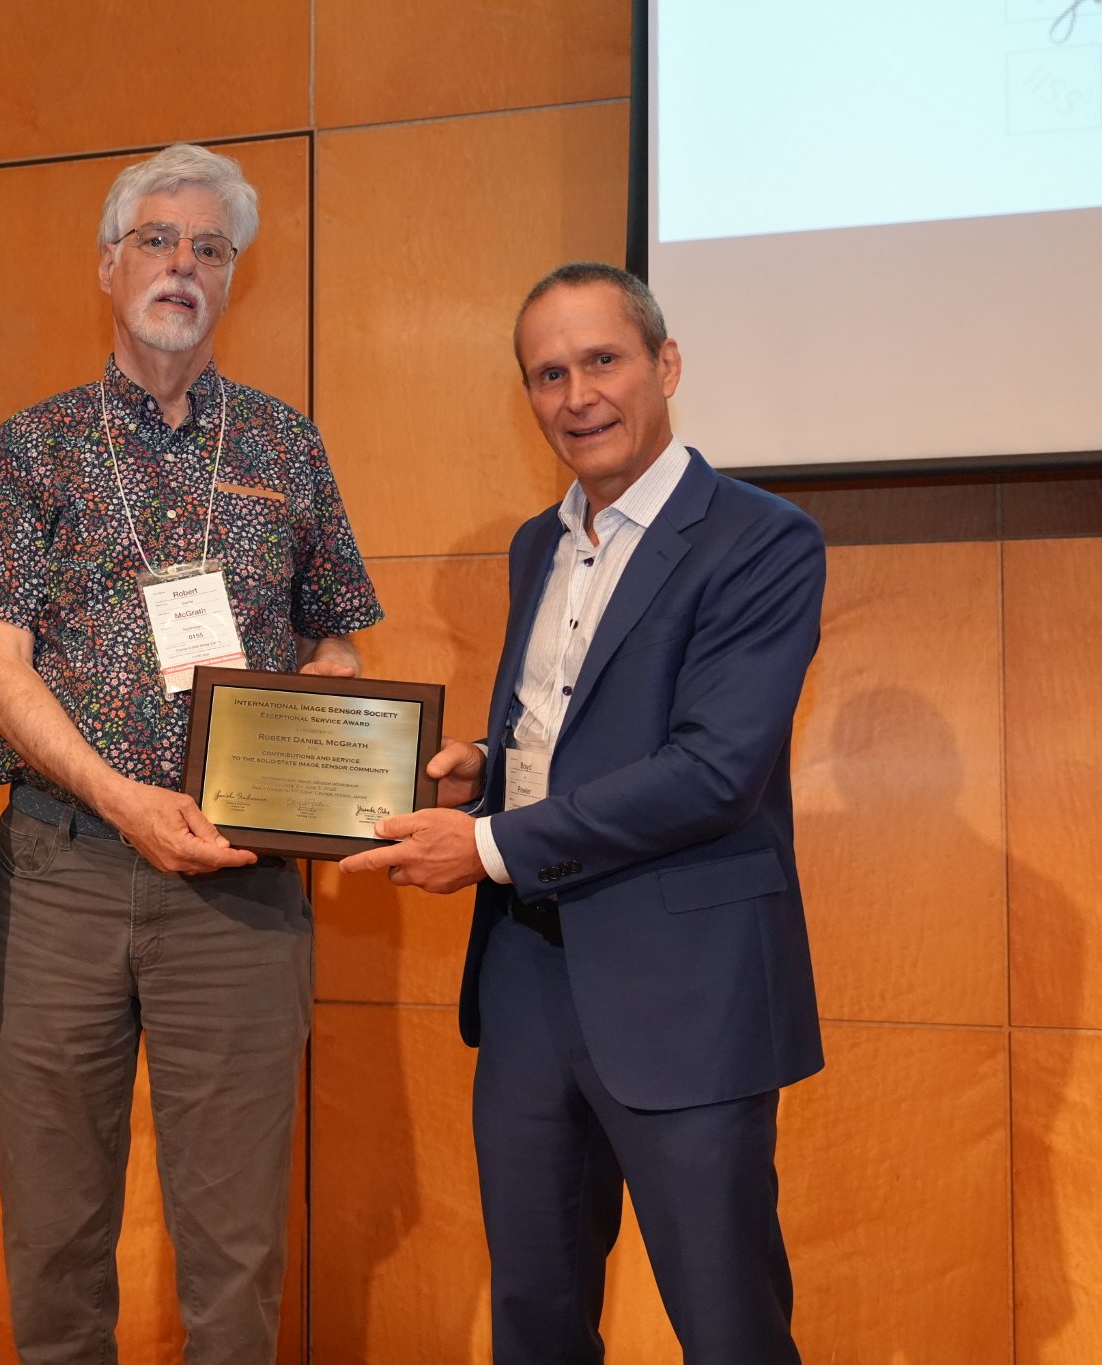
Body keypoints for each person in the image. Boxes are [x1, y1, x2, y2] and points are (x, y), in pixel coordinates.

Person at [342, 262, 825, 1364]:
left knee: (728, 1326)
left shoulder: (761, 539)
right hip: (526, 980)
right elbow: (565, 727)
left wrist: (487, 843)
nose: (576, 396)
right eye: (547, 374)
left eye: (602, 360)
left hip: (684, 989)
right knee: (536, 1317)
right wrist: (481, 770)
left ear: (665, 364)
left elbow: (712, 772)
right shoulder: (537, 542)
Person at [0, 143, 383, 1364]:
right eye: (155, 239)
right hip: (62, 875)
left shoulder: (284, 446)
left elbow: (339, 642)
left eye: (208, 248)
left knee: (234, 1248)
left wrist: (316, 724)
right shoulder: (31, 446)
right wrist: (122, 798)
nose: (180, 264)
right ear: (107, 265)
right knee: (52, 1234)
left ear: (231, 278)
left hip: (239, 889)